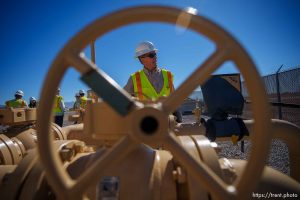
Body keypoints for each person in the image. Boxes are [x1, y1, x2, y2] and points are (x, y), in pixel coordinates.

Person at [124, 41, 182, 122]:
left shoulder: (168, 75)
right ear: (141, 59)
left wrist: (178, 118)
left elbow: (174, 100)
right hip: (146, 126)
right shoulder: (134, 78)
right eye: (151, 55)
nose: (155, 57)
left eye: (155, 54)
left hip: (168, 124)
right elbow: (123, 101)